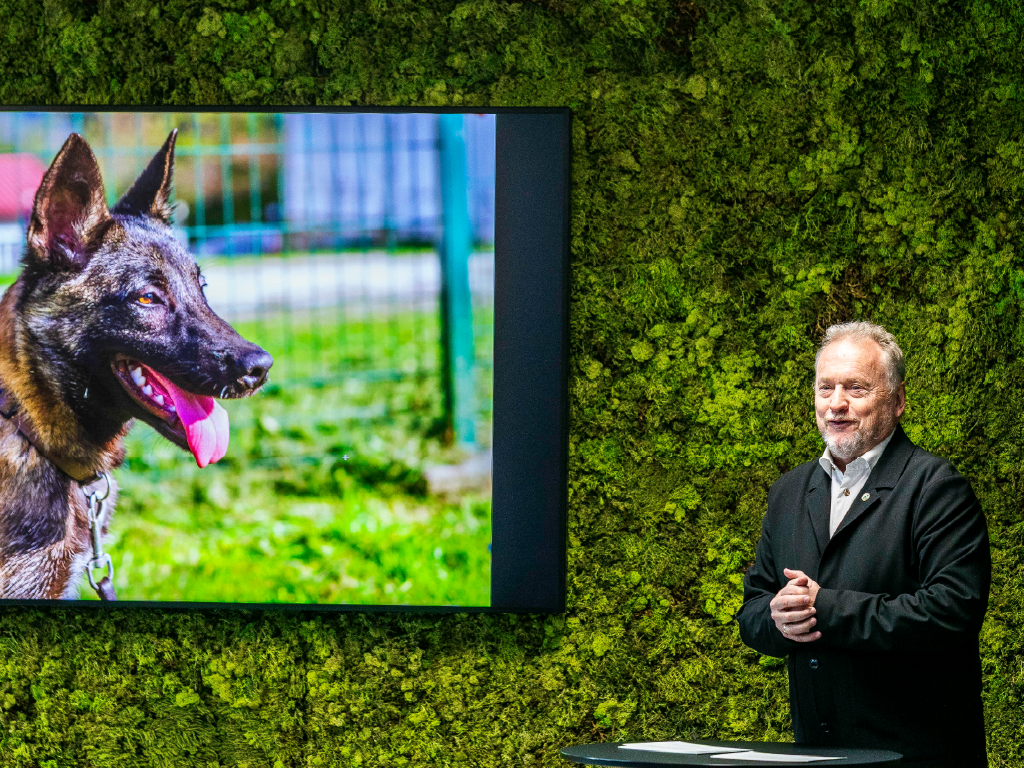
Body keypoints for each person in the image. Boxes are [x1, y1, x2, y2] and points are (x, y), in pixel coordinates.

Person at [737, 322, 990, 768]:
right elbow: (753, 609)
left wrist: (825, 609)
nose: (836, 404)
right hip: (815, 756)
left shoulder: (936, 488)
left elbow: (952, 612)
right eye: (825, 387)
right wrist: (778, 618)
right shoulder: (789, 491)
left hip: (915, 758)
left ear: (898, 401)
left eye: (856, 388)